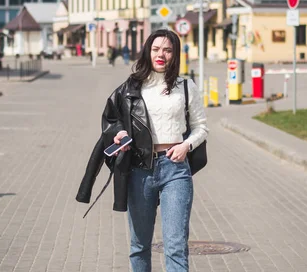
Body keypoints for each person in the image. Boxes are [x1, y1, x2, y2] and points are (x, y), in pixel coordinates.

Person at [76, 29, 208, 271]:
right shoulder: (131, 87)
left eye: (168, 50)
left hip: (175, 169)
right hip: (139, 170)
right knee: (139, 245)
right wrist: (118, 132)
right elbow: (111, 118)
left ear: (175, 54)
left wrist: (186, 145)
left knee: (176, 245)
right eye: (156, 49)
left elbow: (201, 128)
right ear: (148, 51)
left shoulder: (186, 87)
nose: (161, 55)